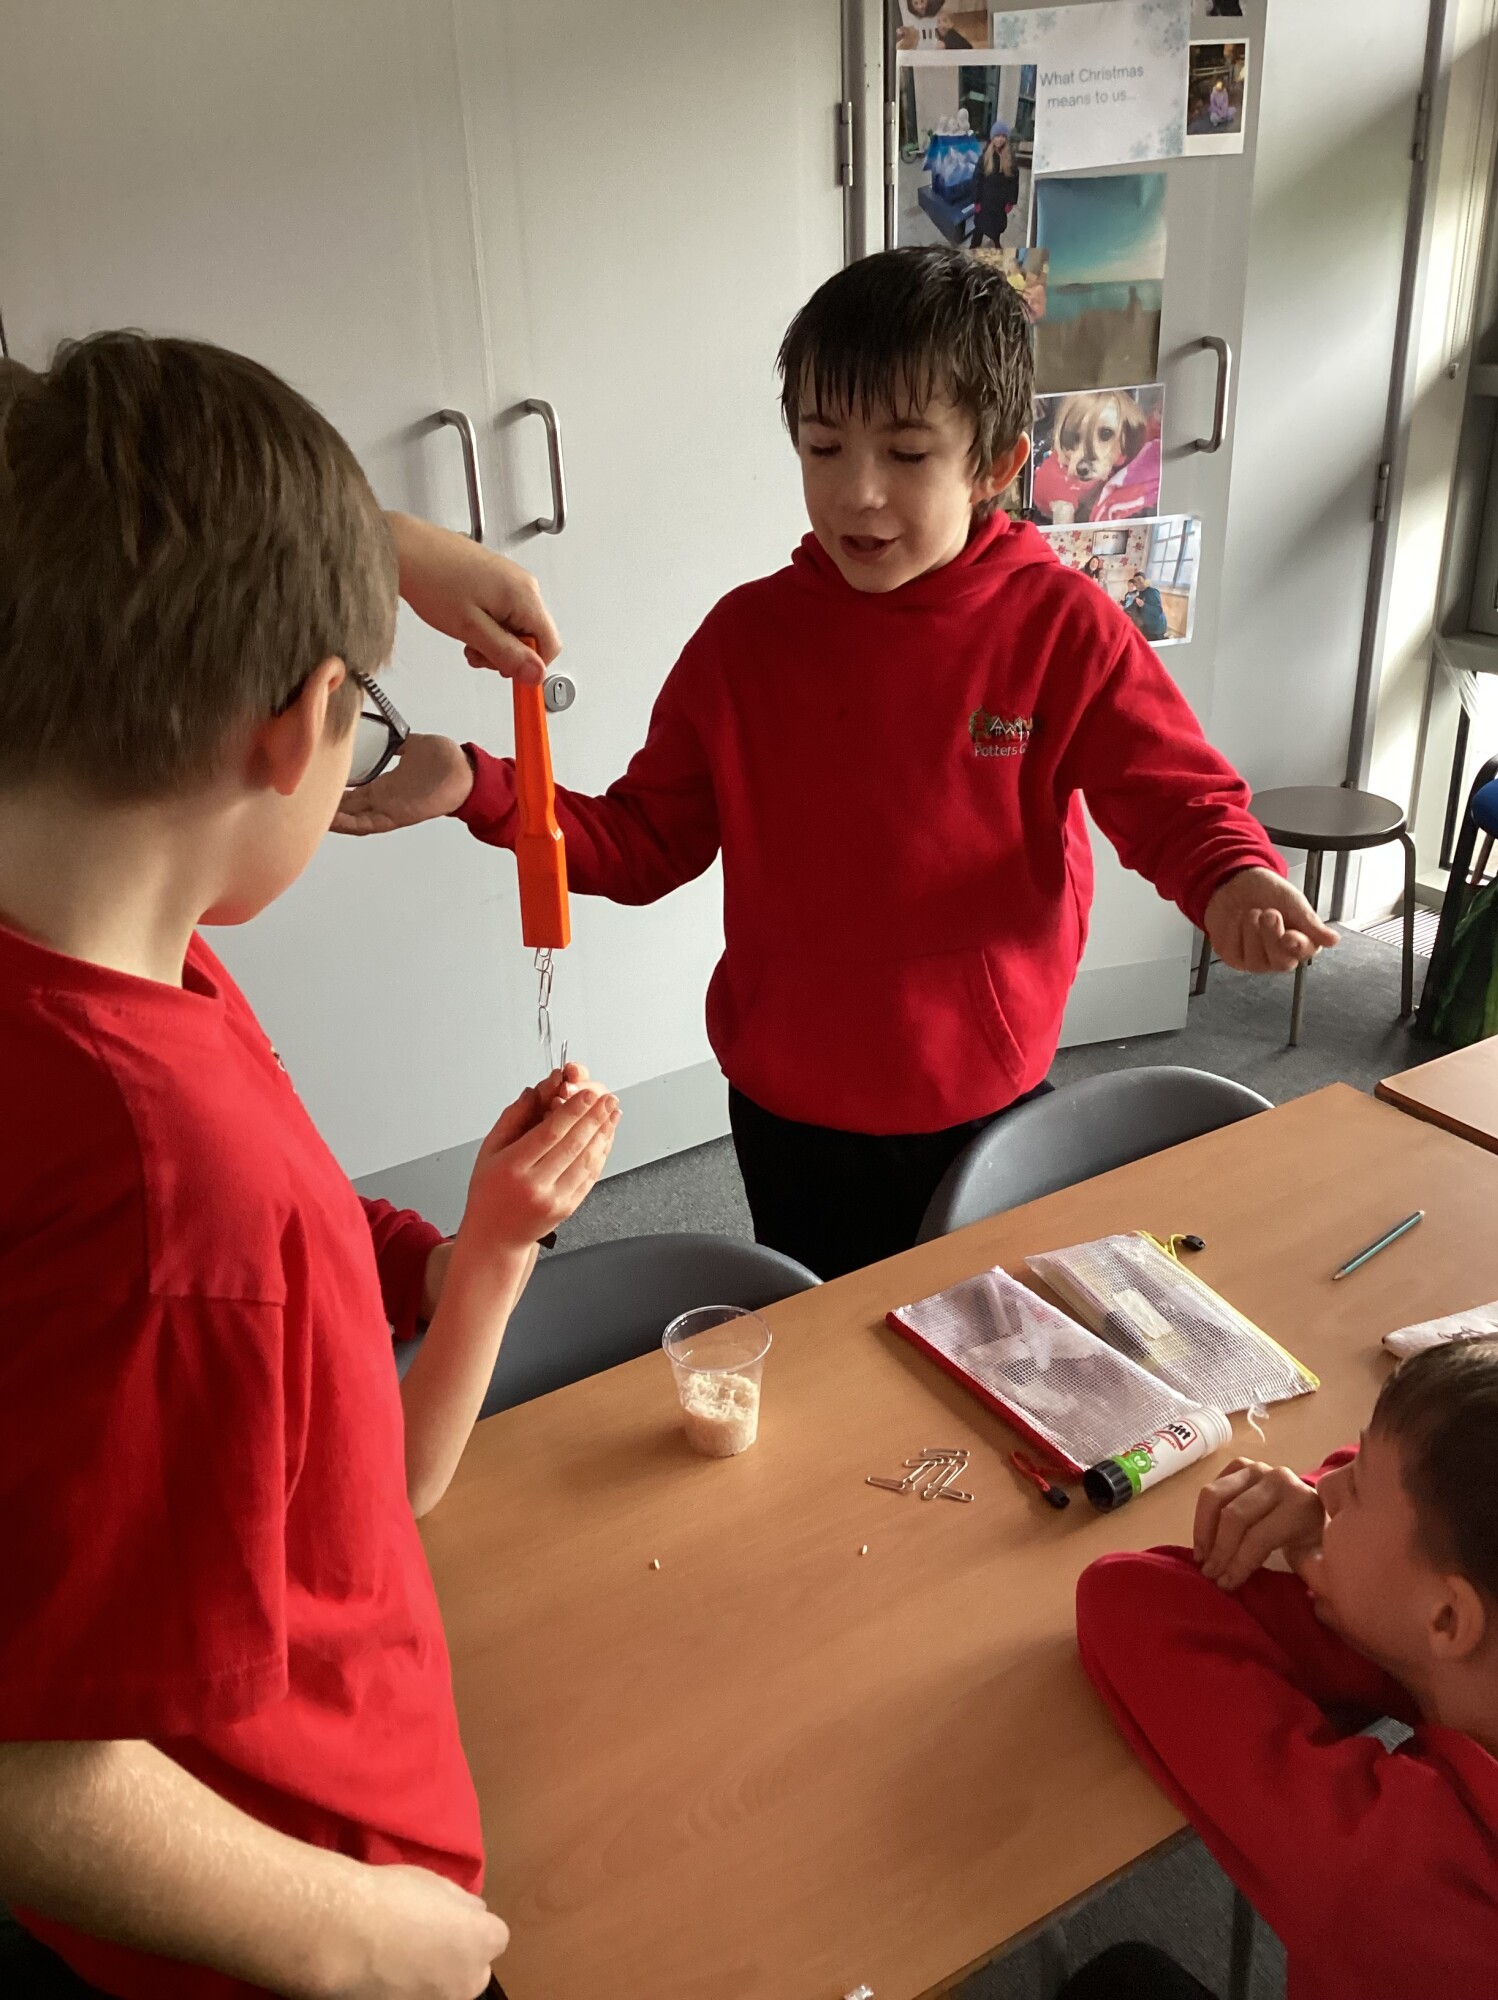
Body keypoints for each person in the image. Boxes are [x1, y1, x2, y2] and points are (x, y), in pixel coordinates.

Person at [0, 331, 619, 2000]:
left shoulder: (111, 971)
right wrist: (355, 1937)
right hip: (289, 1919)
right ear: (298, 729)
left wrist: (462, 1256)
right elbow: (32, 1763)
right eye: (363, 715)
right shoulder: (174, 1193)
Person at [337, 247, 1335, 1281]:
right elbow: (641, 844)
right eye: (823, 447)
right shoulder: (744, 642)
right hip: (790, 1108)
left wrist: (1233, 875)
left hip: (985, 1095)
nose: (858, 492)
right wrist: (476, 784)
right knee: (822, 1331)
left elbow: (1174, 795)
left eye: (906, 453)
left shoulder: (1061, 627)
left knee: (988, 1330)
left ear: (995, 464)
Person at [1076, 1338, 1498, 1999]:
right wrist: (1392, 1635)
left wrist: (1320, 1563)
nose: (1325, 1485)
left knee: (1114, 1980)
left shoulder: (1402, 1874)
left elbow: (1128, 1600)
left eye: (1354, 1490)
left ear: (1447, 1620)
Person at [971, 120, 1019, 250]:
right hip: (985, 201)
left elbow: (1014, 181)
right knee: (979, 227)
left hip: (999, 203)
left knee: (996, 227)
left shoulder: (1010, 157)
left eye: (1003, 136)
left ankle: (996, 242)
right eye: (997, 135)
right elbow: (976, 179)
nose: (1000, 139)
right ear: (992, 137)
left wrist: (1011, 200)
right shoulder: (985, 156)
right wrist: (976, 200)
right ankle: (974, 246)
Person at [1123, 568, 1169, 642]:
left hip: (1156, 629)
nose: (1137, 583)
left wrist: (1143, 605)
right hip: (1146, 627)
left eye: (1139, 580)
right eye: (1135, 581)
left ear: (1144, 580)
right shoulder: (1138, 593)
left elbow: (1158, 611)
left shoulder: (1152, 592)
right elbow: (1131, 606)